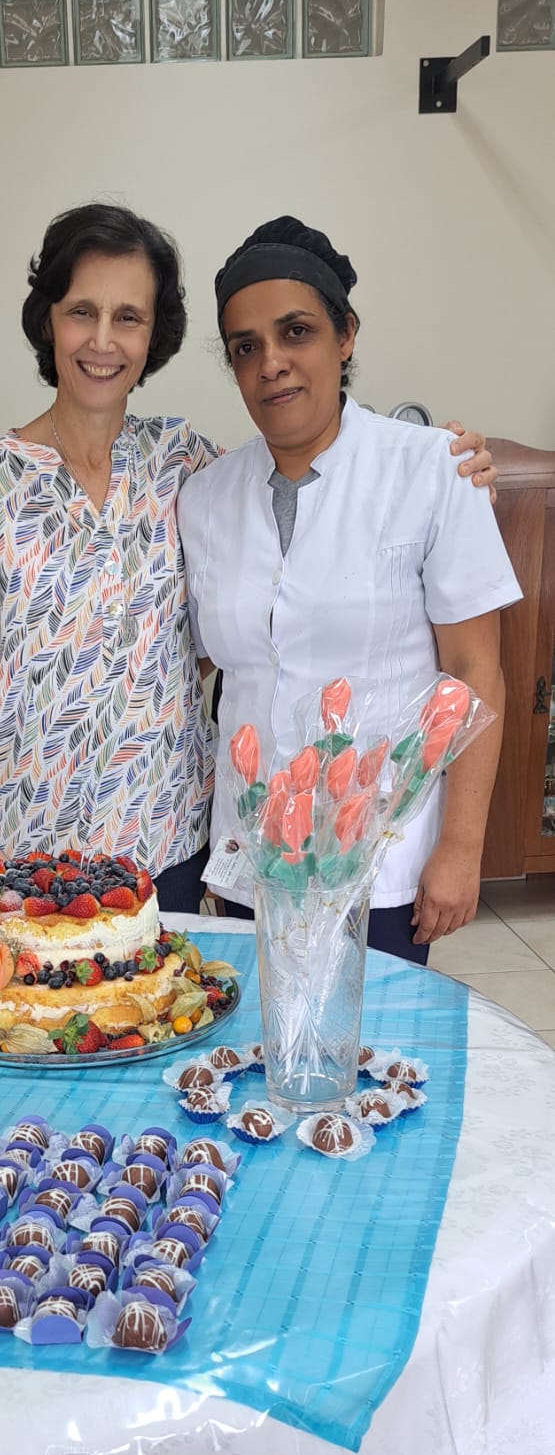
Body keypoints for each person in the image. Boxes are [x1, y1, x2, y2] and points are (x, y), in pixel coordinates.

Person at [0, 203, 495, 915]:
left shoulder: (180, 463)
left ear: (152, 334)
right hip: (25, 840)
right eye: (81, 313)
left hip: (169, 840)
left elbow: (298, 495)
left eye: (128, 317)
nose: (103, 341)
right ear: (48, 321)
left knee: (174, 992)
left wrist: (451, 468)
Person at [178, 216, 521, 962]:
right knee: (253, 1030)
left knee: (375, 1033)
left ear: (346, 336)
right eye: (245, 347)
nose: (271, 363)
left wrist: (460, 848)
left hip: (381, 858)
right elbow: (213, 661)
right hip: (252, 855)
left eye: (295, 332)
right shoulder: (203, 498)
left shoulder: (431, 469)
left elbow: (475, 671)